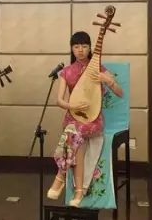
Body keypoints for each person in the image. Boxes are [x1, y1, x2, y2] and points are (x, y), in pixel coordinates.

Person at [47, 31, 123, 207]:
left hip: (93, 121)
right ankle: (79, 192)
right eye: (76, 46)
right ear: (72, 49)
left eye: (84, 46)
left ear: (90, 48)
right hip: (73, 119)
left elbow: (120, 93)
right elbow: (59, 101)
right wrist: (72, 106)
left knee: (74, 133)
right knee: (76, 138)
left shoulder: (99, 69)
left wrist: (108, 80)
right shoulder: (66, 72)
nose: (80, 50)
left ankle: (60, 177)